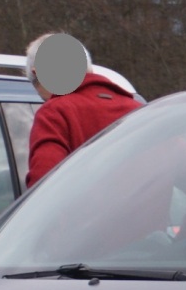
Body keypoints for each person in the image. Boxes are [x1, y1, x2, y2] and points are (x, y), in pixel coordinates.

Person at [24, 33, 142, 186]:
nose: (49, 101)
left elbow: (42, 190)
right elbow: (182, 167)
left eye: (44, 98)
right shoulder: (141, 112)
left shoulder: (54, 114)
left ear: (37, 72)